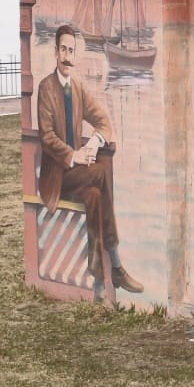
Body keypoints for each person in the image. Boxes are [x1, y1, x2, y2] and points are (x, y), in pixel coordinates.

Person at [37, 24, 143, 296]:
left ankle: (98, 280)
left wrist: (94, 142)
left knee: (95, 195)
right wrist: (75, 155)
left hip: (79, 175)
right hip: (57, 177)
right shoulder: (46, 88)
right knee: (99, 173)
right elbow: (47, 137)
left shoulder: (78, 88)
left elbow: (103, 121)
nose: (67, 56)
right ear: (56, 52)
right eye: (63, 50)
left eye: (71, 51)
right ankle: (117, 265)